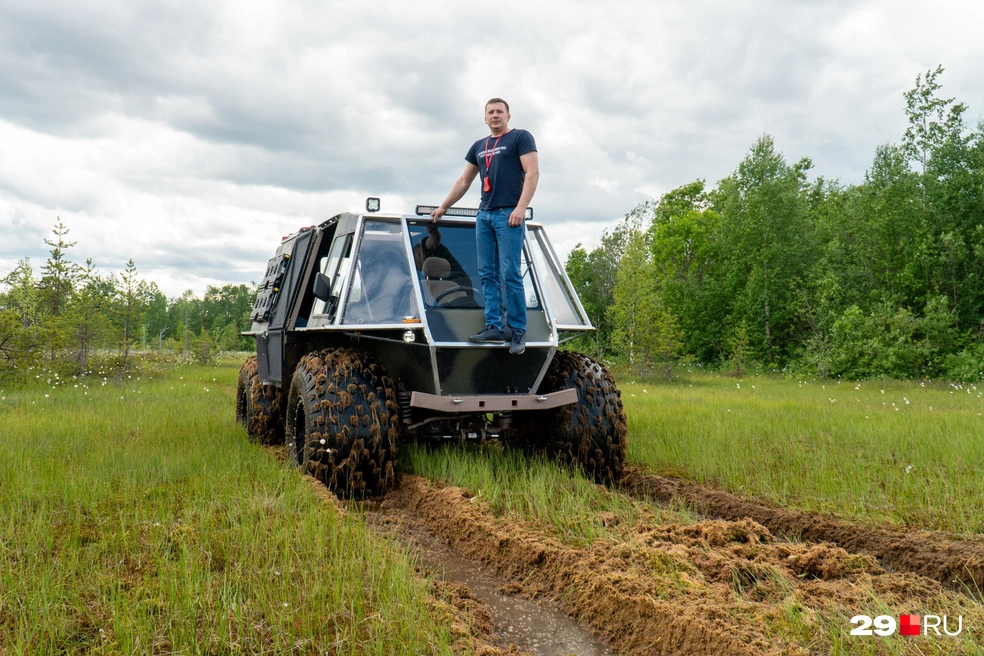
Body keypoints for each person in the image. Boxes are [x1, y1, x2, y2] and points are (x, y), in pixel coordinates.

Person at [431, 97, 539, 354]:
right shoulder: (479, 146)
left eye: (499, 111)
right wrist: (444, 206)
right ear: (485, 117)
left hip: (508, 214)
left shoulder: (520, 138)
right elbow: (464, 181)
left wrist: (521, 208)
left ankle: (517, 330)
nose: (495, 115)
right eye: (490, 112)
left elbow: (532, 173)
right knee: (487, 273)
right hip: (484, 215)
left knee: (510, 272)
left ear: (508, 116)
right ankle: (494, 326)